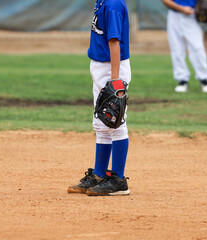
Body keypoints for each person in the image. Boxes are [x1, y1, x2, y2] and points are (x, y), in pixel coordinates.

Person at [67, 0, 131, 196]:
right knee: (101, 124)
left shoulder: (112, 4)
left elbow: (114, 42)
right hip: (100, 67)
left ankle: (119, 180)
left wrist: (115, 80)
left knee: (115, 122)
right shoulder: (102, 1)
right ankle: (99, 174)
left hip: (111, 69)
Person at [162, 0, 207, 93]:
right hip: (174, 15)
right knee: (176, 49)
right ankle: (182, 80)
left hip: (191, 15)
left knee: (197, 48)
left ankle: (204, 80)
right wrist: (181, 9)